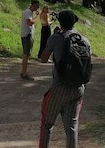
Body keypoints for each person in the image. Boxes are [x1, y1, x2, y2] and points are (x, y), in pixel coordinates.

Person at [38, 10, 90, 148]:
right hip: (78, 88)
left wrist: (53, 37)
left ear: (60, 22)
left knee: (47, 124)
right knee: (71, 127)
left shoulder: (56, 38)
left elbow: (43, 59)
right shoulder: (84, 40)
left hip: (59, 87)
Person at [21, 0, 40, 80]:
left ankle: (23, 72)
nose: (37, 8)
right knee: (26, 54)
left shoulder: (29, 12)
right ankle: (24, 73)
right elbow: (29, 22)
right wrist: (37, 17)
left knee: (27, 54)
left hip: (27, 34)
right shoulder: (28, 12)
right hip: (27, 35)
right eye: (36, 6)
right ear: (32, 5)